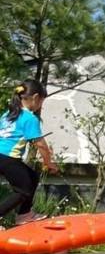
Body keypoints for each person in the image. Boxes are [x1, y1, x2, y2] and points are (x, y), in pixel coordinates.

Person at [0, 80, 58, 228]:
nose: (40, 106)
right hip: (8, 158)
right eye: (41, 102)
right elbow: (41, 145)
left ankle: (24, 215)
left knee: (32, 177)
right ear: (36, 97)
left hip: (3, 156)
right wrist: (48, 162)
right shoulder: (29, 118)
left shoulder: (9, 114)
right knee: (23, 191)